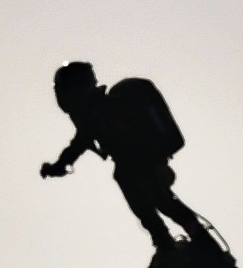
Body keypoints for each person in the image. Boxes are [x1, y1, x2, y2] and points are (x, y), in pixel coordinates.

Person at [40, 61, 210, 254]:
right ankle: (180, 241)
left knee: (155, 199)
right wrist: (59, 165)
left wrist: (59, 166)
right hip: (141, 160)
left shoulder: (99, 111)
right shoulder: (96, 111)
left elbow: (79, 144)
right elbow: (78, 144)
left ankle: (172, 242)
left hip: (142, 160)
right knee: (159, 202)